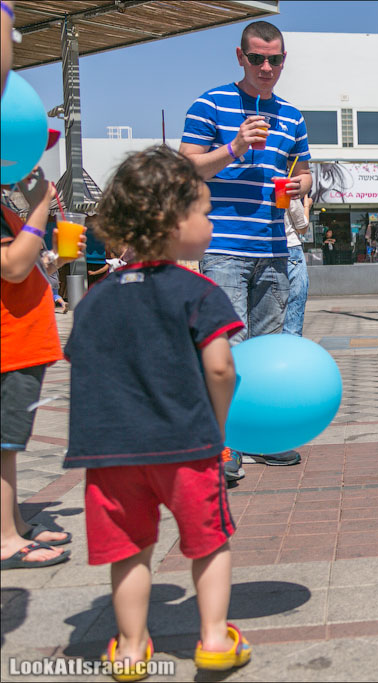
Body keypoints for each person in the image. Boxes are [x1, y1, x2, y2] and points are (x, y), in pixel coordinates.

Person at [65, 146, 251, 676]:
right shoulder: (199, 292)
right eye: (206, 211)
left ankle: (129, 648)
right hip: (187, 445)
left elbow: (83, 362)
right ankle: (213, 637)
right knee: (208, 543)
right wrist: (218, 429)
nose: (211, 222)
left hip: (110, 452)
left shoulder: (94, 301)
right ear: (174, 222)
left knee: (128, 551)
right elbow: (221, 369)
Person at [179, 20, 311, 477]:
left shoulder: (292, 115)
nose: (266, 67)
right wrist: (234, 146)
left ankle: (262, 436)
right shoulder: (210, 103)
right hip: (224, 250)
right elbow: (187, 169)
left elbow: (305, 169)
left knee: (267, 351)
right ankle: (225, 444)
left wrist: (301, 185)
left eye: (275, 59)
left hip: (275, 247)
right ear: (240, 57)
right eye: (257, 58)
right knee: (225, 351)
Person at [1, 168, 83, 570]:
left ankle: (13, 524)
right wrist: (37, 208)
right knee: (2, 446)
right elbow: (12, 266)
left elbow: (25, 269)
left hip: (20, 343)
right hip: (8, 345)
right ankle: (4, 540)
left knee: (9, 446)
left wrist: (54, 259)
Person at [283, 195, 311, 336]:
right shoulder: (283, 184)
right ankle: (289, 352)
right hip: (289, 248)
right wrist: (307, 206)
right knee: (293, 308)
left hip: (256, 249)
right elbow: (302, 226)